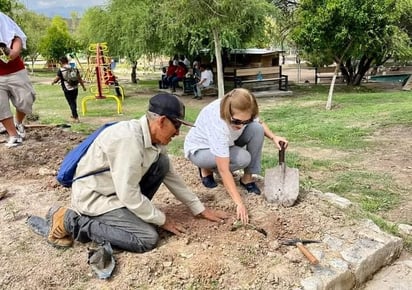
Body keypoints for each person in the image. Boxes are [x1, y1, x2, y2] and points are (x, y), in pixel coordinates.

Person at [43, 93, 227, 252]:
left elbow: (170, 176)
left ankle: (133, 216)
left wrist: (199, 208)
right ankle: (69, 220)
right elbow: (128, 194)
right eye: (177, 126)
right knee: (146, 238)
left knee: (162, 163)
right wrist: (162, 220)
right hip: (96, 198)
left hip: (117, 192)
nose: (178, 133)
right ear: (161, 121)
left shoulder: (153, 139)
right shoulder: (128, 140)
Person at [184, 88, 288, 224]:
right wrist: (239, 204)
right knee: (243, 158)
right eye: (237, 121)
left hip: (228, 142)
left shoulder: (244, 109)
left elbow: (259, 122)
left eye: (246, 121)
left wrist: (274, 137)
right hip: (201, 150)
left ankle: (247, 178)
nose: (241, 125)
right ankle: (206, 168)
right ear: (228, 113)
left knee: (257, 129)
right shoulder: (218, 122)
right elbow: (224, 170)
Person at [0, 12, 36, 147]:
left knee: (26, 99)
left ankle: (18, 123)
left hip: (15, 71)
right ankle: (13, 135)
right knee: (0, 106)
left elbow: (17, 38)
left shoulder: (2, 21)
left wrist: (13, 52)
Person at [51, 56, 86, 123]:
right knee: (74, 101)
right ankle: (74, 115)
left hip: (67, 88)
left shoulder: (61, 70)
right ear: (67, 61)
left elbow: (56, 79)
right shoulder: (74, 68)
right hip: (75, 87)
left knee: (71, 103)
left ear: (61, 62)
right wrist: (83, 87)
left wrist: (53, 82)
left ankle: (76, 117)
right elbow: (79, 78)